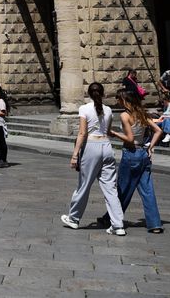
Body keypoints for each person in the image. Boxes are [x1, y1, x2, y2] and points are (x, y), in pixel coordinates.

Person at [61, 82, 128, 235]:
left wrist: (75, 154)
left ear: (89, 94)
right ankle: (118, 225)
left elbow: (82, 133)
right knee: (110, 189)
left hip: (91, 146)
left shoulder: (84, 109)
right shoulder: (108, 110)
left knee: (84, 185)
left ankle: (74, 218)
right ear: (103, 93)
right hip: (106, 146)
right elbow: (108, 130)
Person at [109, 87, 164, 233]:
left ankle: (112, 218)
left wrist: (114, 133)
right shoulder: (141, 113)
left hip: (131, 153)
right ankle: (155, 224)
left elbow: (129, 139)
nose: (117, 101)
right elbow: (158, 130)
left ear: (124, 100)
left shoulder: (125, 115)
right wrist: (150, 147)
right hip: (143, 153)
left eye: (118, 98)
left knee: (123, 188)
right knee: (147, 190)